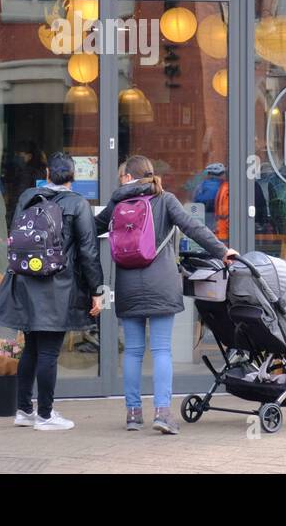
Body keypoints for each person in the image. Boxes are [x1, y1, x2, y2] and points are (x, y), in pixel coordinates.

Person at [96, 154, 237, 434]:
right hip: (160, 282)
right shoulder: (165, 199)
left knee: (134, 351)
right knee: (161, 350)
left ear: (127, 177)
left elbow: (91, 230)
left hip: (127, 283)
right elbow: (193, 228)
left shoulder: (116, 203)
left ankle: (133, 414)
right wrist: (223, 251)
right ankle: (162, 413)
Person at [0, 152, 105, 431]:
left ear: (47, 173)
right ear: (73, 178)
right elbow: (89, 252)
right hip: (58, 287)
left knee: (31, 347)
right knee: (49, 353)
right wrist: (97, 289)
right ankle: (45, 414)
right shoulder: (77, 204)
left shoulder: (28, 197)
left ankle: (23, 410)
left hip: (26, 281)